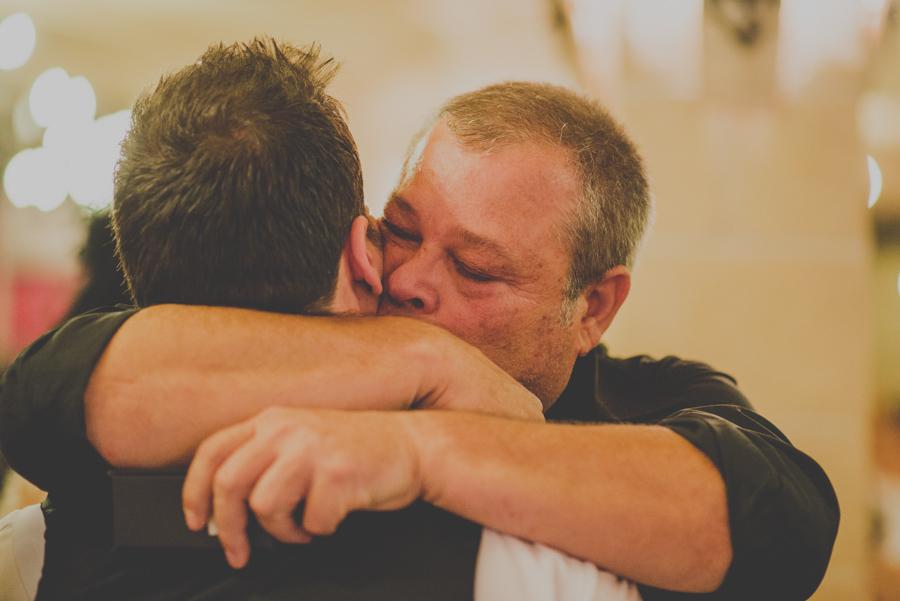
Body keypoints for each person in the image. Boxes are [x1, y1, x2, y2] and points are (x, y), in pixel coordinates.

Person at [1, 43, 840, 601]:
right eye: (398, 230)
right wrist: (420, 362)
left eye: (475, 269)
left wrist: (420, 448)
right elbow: (46, 392)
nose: (407, 281)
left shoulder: (649, 399)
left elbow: (784, 523)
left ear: (594, 305)